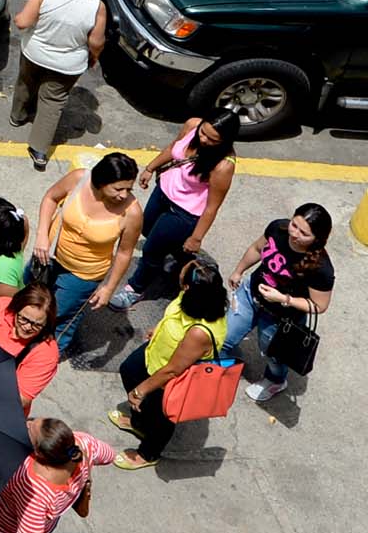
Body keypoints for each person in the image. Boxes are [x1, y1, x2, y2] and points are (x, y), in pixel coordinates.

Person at [110, 113, 239, 310]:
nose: (203, 139)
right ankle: (187, 261)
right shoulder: (192, 124)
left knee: (151, 251)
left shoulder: (223, 165)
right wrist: (151, 168)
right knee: (147, 230)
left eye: (212, 139)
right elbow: (173, 148)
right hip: (162, 192)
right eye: (203, 133)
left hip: (184, 213)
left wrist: (196, 237)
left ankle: (135, 288)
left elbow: (212, 206)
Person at [110, 259, 228, 470]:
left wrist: (141, 390)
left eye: (183, 273)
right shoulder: (193, 296)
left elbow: (174, 369)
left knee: (161, 417)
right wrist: (159, 328)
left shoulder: (200, 332)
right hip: (153, 355)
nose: (179, 272)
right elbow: (175, 313)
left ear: (188, 286)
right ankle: (140, 423)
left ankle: (149, 452)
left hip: (169, 378)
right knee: (128, 369)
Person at [29, 152, 142, 355]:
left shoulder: (132, 213)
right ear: (101, 181)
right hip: (50, 255)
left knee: (56, 314)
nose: (124, 195)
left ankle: (50, 354)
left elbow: (124, 252)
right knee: (30, 298)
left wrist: (108, 288)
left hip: (83, 274)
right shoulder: (79, 179)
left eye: (128, 189)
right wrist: (42, 236)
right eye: (118, 188)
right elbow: (50, 198)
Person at [224, 204, 335, 403]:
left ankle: (276, 380)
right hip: (250, 295)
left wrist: (284, 299)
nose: (295, 234)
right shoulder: (277, 228)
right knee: (224, 337)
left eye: (304, 233)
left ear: (317, 239)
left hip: (280, 318)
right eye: (294, 225)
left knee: (273, 355)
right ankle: (218, 369)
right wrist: (239, 270)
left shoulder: (321, 268)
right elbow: (257, 248)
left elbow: (319, 306)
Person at [10, 0, 107, 171]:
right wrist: (94, 56)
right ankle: (39, 150)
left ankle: (18, 115)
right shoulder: (97, 7)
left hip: (34, 53)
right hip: (68, 65)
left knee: (26, 83)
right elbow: (96, 42)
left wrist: (19, 16)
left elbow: (23, 22)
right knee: (52, 102)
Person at [0, 283, 60, 414]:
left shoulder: (47, 353)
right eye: (23, 319)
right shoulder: (0, 307)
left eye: (37, 325)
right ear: (16, 309)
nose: (28, 327)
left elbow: (20, 398)